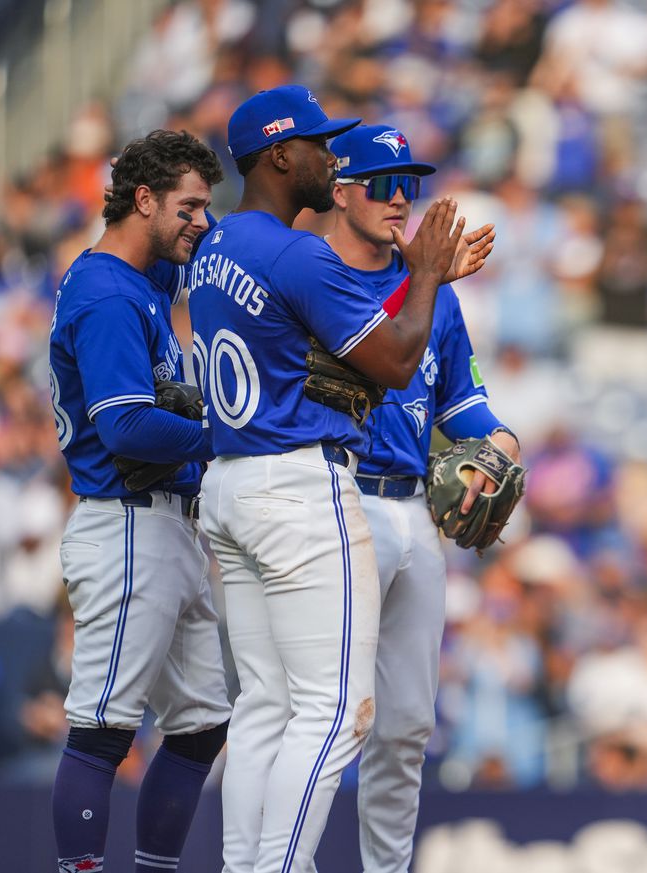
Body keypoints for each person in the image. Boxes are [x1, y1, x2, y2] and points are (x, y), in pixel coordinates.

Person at [187, 85, 463, 873]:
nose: (329, 156)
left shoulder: (214, 250)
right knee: (335, 709)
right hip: (298, 488)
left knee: (266, 706)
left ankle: (245, 865)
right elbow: (396, 359)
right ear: (279, 156)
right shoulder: (293, 249)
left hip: (231, 482)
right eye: (317, 144)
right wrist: (430, 274)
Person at [322, 123, 516, 873]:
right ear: (341, 192)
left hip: (412, 510)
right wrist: (425, 279)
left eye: (410, 184)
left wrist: (501, 445)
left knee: (404, 725)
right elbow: (374, 351)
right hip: (340, 500)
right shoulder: (320, 276)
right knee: (331, 718)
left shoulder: (435, 294)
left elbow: (459, 402)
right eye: (382, 183)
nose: (401, 199)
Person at [48, 129, 232, 873]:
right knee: (102, 728)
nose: (202, 221)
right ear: (145, 198)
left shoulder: (144, 277)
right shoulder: (105, 290)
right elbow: (123, 422)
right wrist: (226, 433)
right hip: (125, 521)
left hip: (166, 528)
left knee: (199, 727)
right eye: (189, 206)